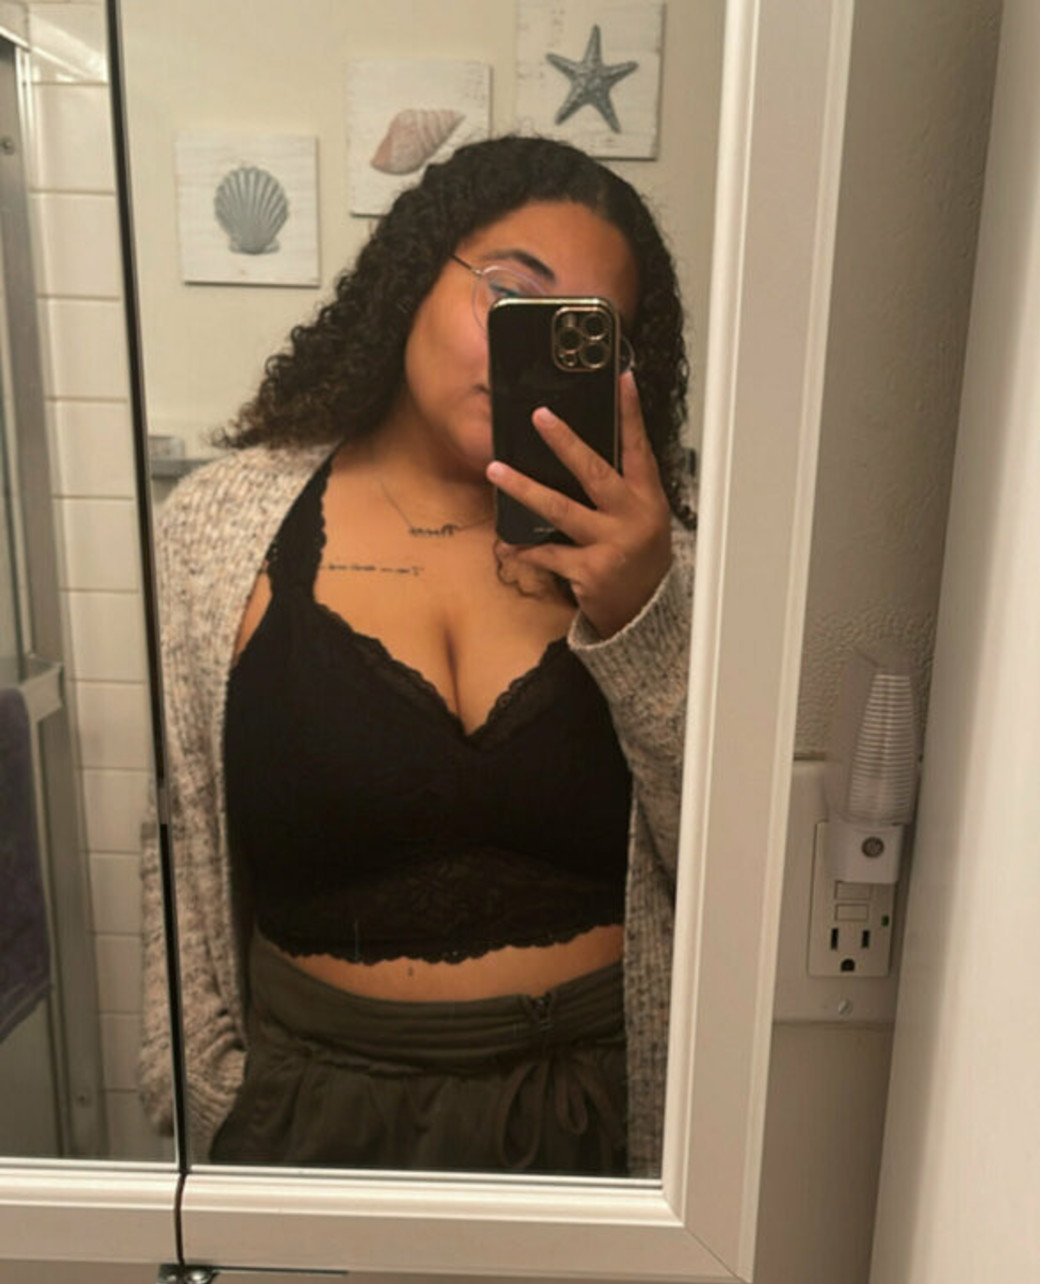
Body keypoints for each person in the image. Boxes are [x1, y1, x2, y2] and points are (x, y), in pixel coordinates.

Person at [139, 135, 695, 1179]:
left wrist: (644, 615)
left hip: (599, 1118)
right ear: (412, 276)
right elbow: (178, 852)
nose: (528, 347)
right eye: (509, 294)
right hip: (309, 1114)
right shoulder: (220, 530)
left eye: (583, 331)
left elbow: (717, 865)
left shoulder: (661, 556)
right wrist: (208, 1100)